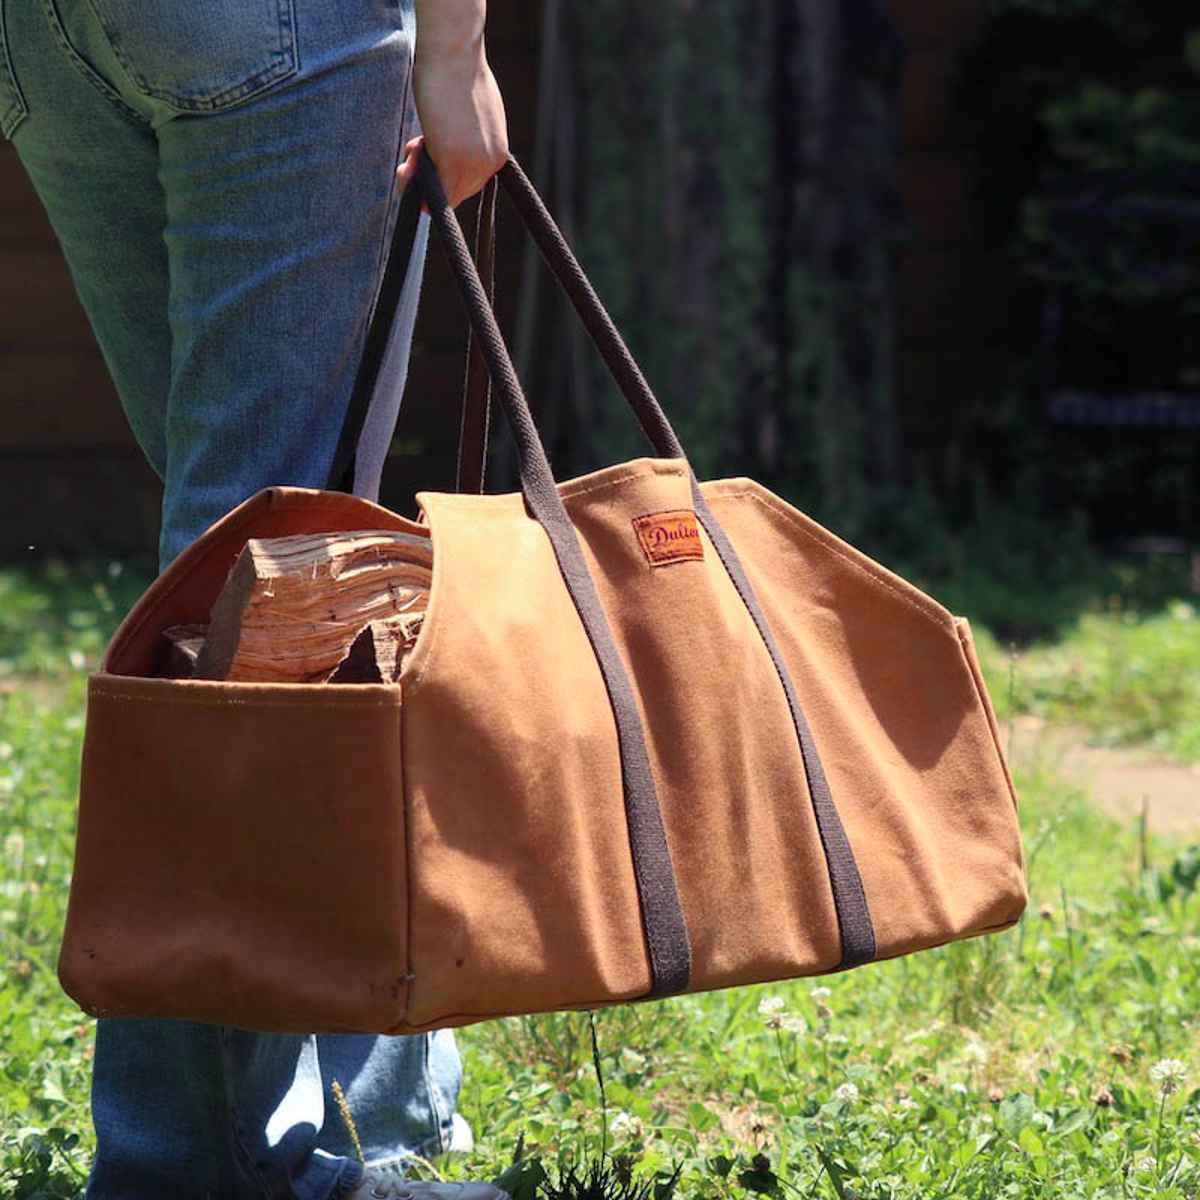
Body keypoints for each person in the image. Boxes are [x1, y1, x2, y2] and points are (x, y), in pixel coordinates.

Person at [2, 1, 507, 1196]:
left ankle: (377, 1095)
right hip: (270, 31)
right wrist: (456, 49)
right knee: (261, 566)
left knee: (255, 567)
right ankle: (210, 1161)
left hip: (44, 43)